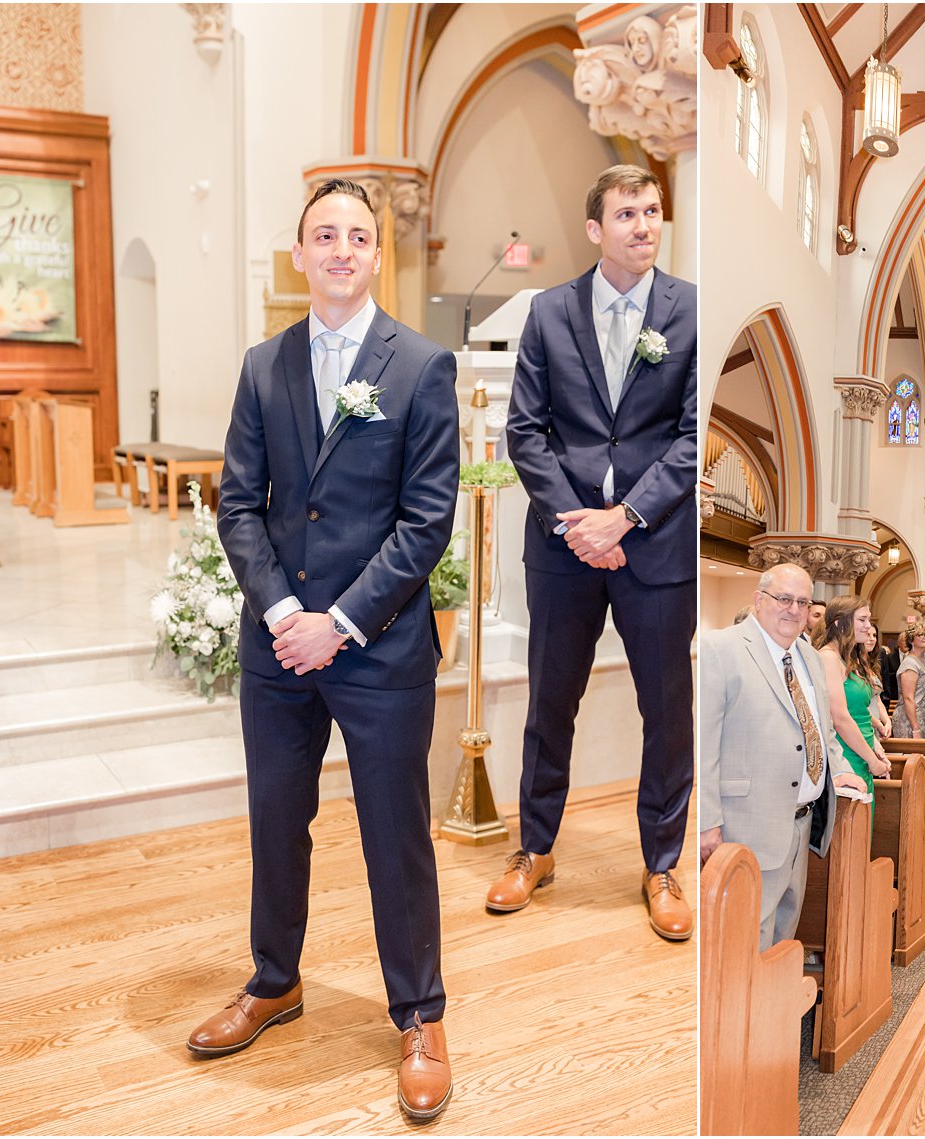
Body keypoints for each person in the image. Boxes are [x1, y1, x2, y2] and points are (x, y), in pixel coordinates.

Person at [202, 179, 458, 1119]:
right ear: (300, 255)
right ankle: (274, 979)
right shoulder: (263, 365)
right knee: (277, 819)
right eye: (324, 235)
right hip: (278, 651)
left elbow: (427, 520)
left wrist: (338, 621)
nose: (342, 248)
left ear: (375, 254)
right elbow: (239, 502)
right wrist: (280, 615)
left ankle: (421, 1014)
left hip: (379, 649)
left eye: (358, 234)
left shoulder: (421, 366)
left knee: (396, 838)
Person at [498, 164, 697, 940]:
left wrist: (627, 517)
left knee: (666, 710)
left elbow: (689, 436)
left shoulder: (689, 310)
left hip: (655, 547)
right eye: (627, 214)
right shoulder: (550, 313)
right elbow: (526, 430)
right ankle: (536, 848)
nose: (645, 225)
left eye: (652, 211)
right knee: (550, 703)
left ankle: (661, 864)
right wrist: (578, 521)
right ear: (595, 229)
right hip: (563, 545)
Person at [697, 564, 867, 949]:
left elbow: (820, 728)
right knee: (744, 942)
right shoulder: (720, 649)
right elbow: (703, 742)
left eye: (802, 602)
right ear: (759, 600)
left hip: (800, 825)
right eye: (784, 599)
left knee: (782, 936)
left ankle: (773, 1011)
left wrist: (836, 771)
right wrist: (707, 822)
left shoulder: (807, 655)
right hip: (747, 826)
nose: (793, 610)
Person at [813, 596, 892, 816]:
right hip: (846, 753)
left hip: (862, 747)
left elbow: (862, 712)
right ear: (840, 623)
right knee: (850, 830)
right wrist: (871, 760)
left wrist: (876, 750)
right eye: (862, 620)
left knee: (864, 827)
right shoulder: (828, 658)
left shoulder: (849, 659)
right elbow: (839, 717)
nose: (869, 627)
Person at [891, 622, 925, 738]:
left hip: (924, 719)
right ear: (911, 640)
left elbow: (924, 693)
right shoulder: (910, 663)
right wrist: (915, 729)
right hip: (910, 721)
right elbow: (908, 698)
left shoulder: (924, 661)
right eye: (921, 634)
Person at [864, 622, 892, 740]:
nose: (871, 639)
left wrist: (887, 722)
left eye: (874, 635)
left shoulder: (872, 665)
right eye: (867, 635)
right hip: (864, 723)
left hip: (876, 724)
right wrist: (878, 724)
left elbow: (878, 699)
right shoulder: (852, 666)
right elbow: (856, 707)